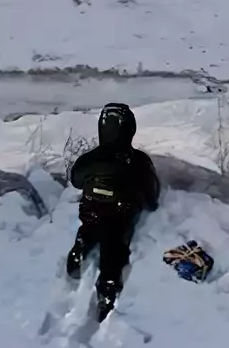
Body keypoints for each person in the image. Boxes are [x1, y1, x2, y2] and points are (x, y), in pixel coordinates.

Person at [65, 102, 162, 318]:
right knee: (114, 252)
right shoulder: (138, 162)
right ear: (129, 129)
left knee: (89, 229)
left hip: (91, 214)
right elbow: (151, 197)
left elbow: (76, 181)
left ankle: (80, 248)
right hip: (120, 220)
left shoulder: (89, 159)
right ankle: (107, 289)